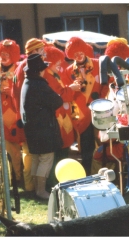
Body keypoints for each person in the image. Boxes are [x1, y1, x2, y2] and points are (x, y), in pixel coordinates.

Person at [20, 54, 63, 199]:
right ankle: (41, 191)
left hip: (32, 129)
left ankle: (35, 189)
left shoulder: (27, 82)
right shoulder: (39, 84)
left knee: (37, 159)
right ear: (39, 70)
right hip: (43, 129)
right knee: (45, 158)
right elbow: (57, 101)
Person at [64, 37, 109, 175]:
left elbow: (106, 84)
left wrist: (101, 100)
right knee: (86, 146)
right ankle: (88, 173)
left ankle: (106, 173)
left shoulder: (97, 64)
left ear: (84, 50)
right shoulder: (68, 71)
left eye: (80, 52)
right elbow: (66, 91)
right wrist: (72, 89)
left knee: (103, 142)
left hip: (99, 110)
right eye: (75, 54)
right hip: (81, 114)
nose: (78, 55)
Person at [43, 45, 81, 189]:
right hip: (58, 117)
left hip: (62, 116)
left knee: (62, 148)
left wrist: (69, 88)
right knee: (60, 150)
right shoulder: (48, 76)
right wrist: (71, 89)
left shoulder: (53, 74)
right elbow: (58, 95)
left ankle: (59, 180)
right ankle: (57, 181)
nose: (60, 63)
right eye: (57, 61)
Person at [13, 38, 46, 191]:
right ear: (34, 52)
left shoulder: (23, 66)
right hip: (27, 117)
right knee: (29, 154)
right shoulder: (25, 67)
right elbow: (21, 95)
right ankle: (29, 186)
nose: (44, 52)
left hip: (25, 115)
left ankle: (31, 185)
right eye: (41, 50)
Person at [0, 39, 23, 184]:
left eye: (7, 54)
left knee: (14, 149)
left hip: (13, 113)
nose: (4, 56)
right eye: (2, 53)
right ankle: (3, 179)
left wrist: (10, 91)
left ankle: (17, 178)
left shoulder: (19, 69)